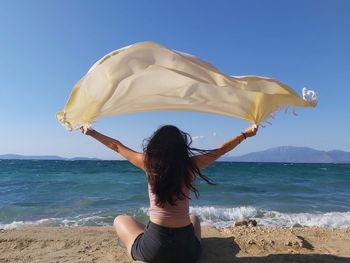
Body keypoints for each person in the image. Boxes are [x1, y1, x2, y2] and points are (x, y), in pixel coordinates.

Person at [81, 124, 258, 262]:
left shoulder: (148, 163)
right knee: (194, 218)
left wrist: (91, 132)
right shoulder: (190, 165)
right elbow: (221, 150)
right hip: (188, 253)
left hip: (154, 250)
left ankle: (134, 240)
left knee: (120, 219)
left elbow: (116, 146)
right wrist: (244, 135)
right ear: (182, 147)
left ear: (155, 145)